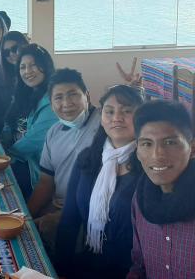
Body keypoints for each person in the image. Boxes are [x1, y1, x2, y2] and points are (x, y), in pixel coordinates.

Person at [55, 85, 144, 278]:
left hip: (129, 271)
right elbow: (70, 219)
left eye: (127, 111)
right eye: (109, 111)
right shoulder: (88, 159)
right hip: (88, 263)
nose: (116, 118)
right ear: (101, 118)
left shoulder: (149, 167)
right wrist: (61, 269)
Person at [128, 100, 195, 278]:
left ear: (193, 148)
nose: (157, 155)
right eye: (147, 144)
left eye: (170, 142)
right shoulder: (141, 198)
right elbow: (139, 265)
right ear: (137, 151)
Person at [28, 68, 101, 255]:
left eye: (73, 95)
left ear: (87, 95)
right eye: (58, 98)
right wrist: (26, 216)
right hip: (57, 205)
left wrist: (62, 216)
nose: (66, 103)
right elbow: (46, 182)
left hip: (88, 213)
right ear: (51, 104)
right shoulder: (54, 132)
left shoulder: (104, 124)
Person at [2, 44, 58, 199]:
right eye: (23, 67)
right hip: (17, 153)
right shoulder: (25, 92)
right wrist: (1, 142)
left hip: (33, 165)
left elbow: (35, 140)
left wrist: (6, 155)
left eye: (33, 65)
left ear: (45, 66)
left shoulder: (52, 99)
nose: (28, 71)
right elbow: (9, 121)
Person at [0, 31, 29, 134]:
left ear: (25, 46)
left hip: (27, 131)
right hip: (5, 129)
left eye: (15, 48)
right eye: (6, 52)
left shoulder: (34, 75)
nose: (12, 54)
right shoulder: (0, 72)